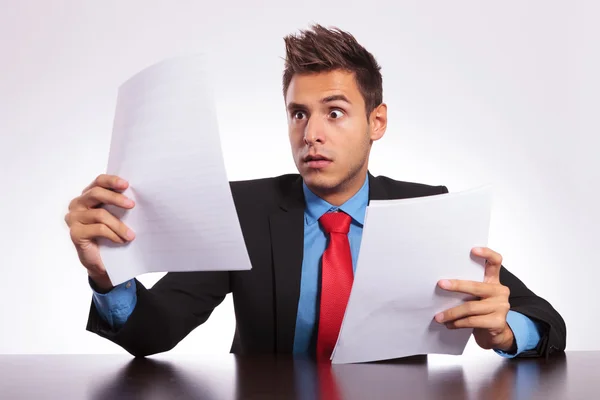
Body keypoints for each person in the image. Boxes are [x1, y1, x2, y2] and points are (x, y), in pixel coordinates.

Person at [65, 24, 566, 361]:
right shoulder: (245, 211)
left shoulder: (426, 209)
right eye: (298, 114)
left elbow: (547, 322)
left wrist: (505, 332)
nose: (311, 134)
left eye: (334, 112)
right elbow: (154, 333)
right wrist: (109, 276)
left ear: (377, 122)